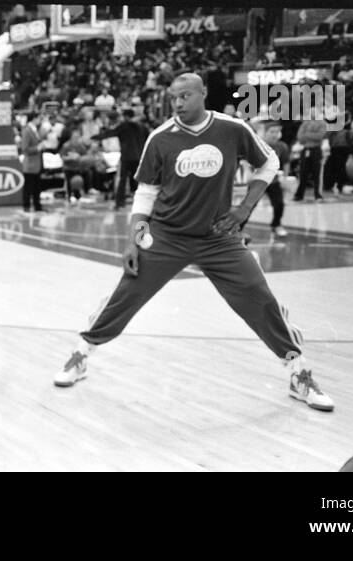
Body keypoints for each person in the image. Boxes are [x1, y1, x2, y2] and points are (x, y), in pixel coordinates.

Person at [54, 73, 334, 413]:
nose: (178, 102)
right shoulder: (160, 138)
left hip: (219, 238)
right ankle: (81, 356)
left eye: (185, 95)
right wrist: (133, 239)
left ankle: (298, 373)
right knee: (125, 296)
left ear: (203, 94)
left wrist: (244, 208)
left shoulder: (232, 129)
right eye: (174, 97)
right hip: (167, 235)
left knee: (259, 300)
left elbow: (269, 162)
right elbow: (146, 191)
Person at [239, 121, 291, 238]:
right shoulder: (257, 144)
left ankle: (276, 225)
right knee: (249, 206)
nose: (275, 134)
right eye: (272, 132)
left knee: (279, 204)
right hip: (257, 182)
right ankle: (239, 229)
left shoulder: (282, 146)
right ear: (265, 132)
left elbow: (286, 163)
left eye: (277, 132)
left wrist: (285, 179)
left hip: (273, 181)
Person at [92, 108, 150, 210]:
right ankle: (141, 203)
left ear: (126, 116)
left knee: (123, 179)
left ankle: (119, 202)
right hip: (139, 157)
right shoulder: (143, 127)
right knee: (138, 180)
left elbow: (110, 133)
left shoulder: (124, 126)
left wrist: (95, 137)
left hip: (127, 157)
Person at [292, 110, 327, 202]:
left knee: (317, 173)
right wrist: (311, 136)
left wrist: (307, 135)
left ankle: (318, 195)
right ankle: (299, 195)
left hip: (316, 150)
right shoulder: (305, 123)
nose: (312, 114)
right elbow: (299, 136)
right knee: (303, 172)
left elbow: (319, 136)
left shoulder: (322, 123)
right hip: (305, 150)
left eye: (314, 112)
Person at [17, 111, 44, 213]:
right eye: (38, 118)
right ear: (34, 118)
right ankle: (26, 206)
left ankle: (37, 206)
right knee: (28, 187)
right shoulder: (27, 131)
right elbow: (25, 148)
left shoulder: (35, 130)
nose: (39, 120)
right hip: (30, 164)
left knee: (37, 187)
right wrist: (37, 148)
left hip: (37, 163)